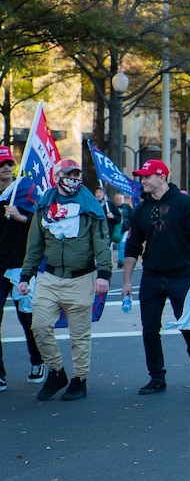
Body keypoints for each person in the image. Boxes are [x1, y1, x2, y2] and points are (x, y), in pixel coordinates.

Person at [18, 159, 112, 401]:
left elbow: (101, 241)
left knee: (79, 334)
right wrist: (26, 275)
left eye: (76, 174)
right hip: (49, 276)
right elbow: (35, 244)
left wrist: (104, 274)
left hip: (81, 278)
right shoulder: (45, 204)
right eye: (68, 174)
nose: (73, 178)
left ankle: (79, 380)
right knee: (39, 326)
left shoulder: (90, 205)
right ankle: (57, 371)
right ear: (57, 176)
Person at [121, 159, 190, 395]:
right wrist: (127, 281)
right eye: (142, 176)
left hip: (181, 276)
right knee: (149, 329)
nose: (143, 180)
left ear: (162, 177)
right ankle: (157, 376)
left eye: (148, 176)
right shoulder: (140, 210)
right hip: (151, 276)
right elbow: (132, 247)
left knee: (188, 324)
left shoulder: (185, 203)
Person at [0, 146, 45, 391]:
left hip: (20, 266)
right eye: (1, 164)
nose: (6, 167)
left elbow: (38, 223)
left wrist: (20, 217)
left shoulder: (23, 189)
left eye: (9, 163)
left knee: (27, 317)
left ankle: (38, 360)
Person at [113, 193, 133, 268]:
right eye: (117, 199)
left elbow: (132, 216)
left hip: (125, 228)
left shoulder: (126, 207)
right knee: (119, 245)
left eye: (120, 199)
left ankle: (121, 261)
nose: (119, 201)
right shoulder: (113, 207)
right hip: (116, 229)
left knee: (122, 245)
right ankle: (121, 259)